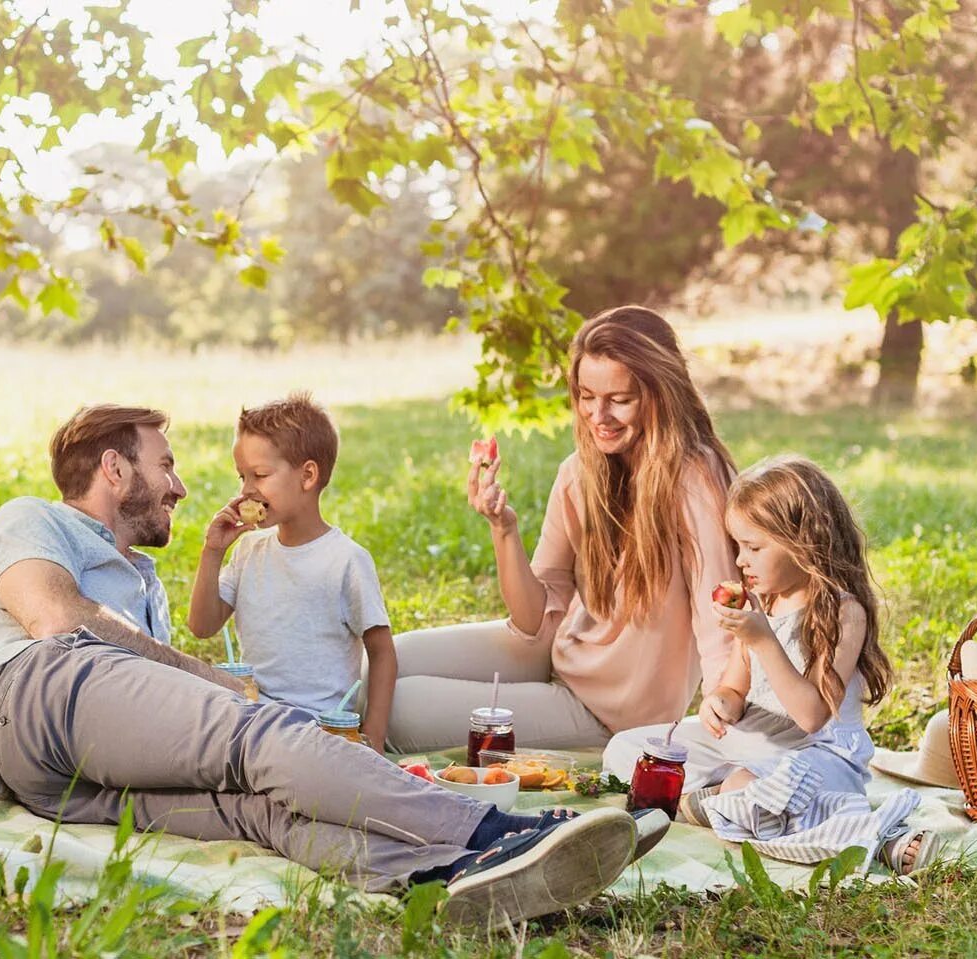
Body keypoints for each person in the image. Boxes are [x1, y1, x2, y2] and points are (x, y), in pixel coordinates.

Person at [0, 404, 651, 928]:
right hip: (45, 689)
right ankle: (496, 829)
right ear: (113, 469)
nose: (180, 486)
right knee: (263, 734)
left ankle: (446, 874)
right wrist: (217, 683)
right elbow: (53, 615)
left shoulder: (139, 578)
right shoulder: (31, 518)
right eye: (164, 464)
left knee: (261, 810)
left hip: (58, 780)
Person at [385, 306, 741, 752]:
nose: (598, 415)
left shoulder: (695, 479)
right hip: (556, 655)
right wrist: (503, 528)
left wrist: (726, 707)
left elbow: (721, 616)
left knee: (395, 709)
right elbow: (533, 620)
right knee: (382, 664)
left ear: (660, 395)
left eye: (620, 399)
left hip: (609, 713)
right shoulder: (579, 472)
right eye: (586, 395)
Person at [603, 456, 935, 874]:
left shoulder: (843, 614)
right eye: (738, 546)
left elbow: (812, 715)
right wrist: (719, 703)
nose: (741, 561)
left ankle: (879, 835)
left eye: (754, 548)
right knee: (627, 750)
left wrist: (764, 640)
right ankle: (722, 799)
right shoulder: (765, 602)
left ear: (804, 543)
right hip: (755, 744)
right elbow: (734, 689)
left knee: (763, 789)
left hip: (817, 756)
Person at [187, 393, 396, 751]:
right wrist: (213, 551)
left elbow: (382, 653)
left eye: (260, 474)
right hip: (251, 720)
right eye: (242, 477)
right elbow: (202, 626)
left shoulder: (345, 560)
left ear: (308, 475)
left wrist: (373, 738)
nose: (247, 489)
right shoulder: (249, 550)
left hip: (318, 730)